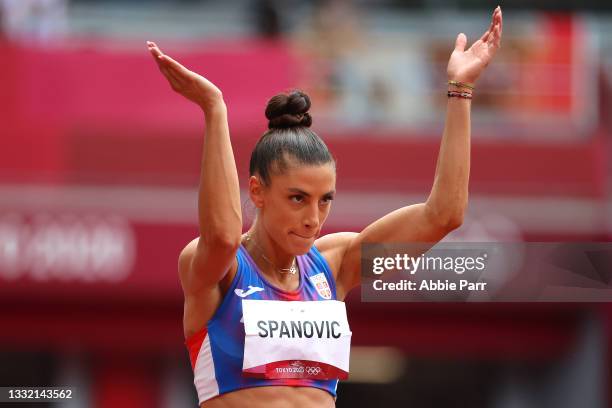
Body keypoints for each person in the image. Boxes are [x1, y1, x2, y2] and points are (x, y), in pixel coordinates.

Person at [147, 6, 502, 407]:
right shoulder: (217, 269)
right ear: (257, 191)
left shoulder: (334, 265)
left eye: (325, 200)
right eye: (297, 198)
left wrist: (461, 90)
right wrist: (215, 110)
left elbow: (444, 215)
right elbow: (225, 234)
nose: (313, 219)